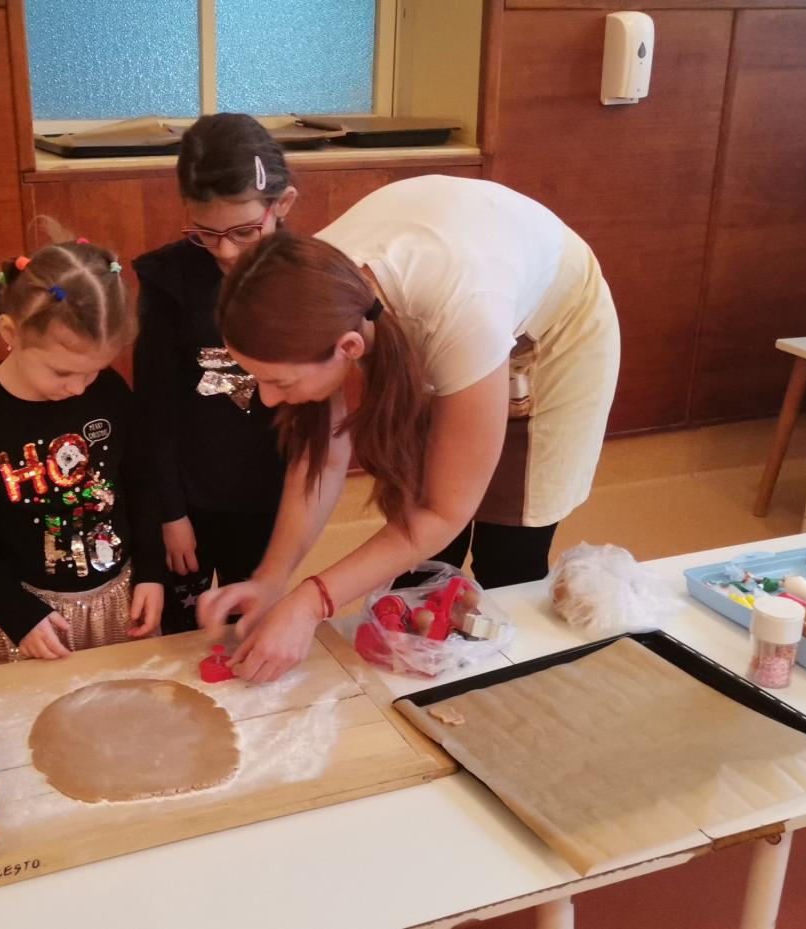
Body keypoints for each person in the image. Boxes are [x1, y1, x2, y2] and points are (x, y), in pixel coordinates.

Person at [199, 175, 621, 682]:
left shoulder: (461, 313)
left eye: (278, 382)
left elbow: (445, 509)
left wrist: (311, 603)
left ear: (349, 348)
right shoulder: (312, 296)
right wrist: (272, 579)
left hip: (553, 331)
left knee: (508, 550)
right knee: (421, 559)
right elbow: (322, 456)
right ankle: (425, 668)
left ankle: (505, 688)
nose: (266, 399)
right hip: (458, 296)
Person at [0, 231, 165, 663]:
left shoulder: (109, 390)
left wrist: (152, 571)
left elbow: (141, 481)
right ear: (11, 332)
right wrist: (17, 614)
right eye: (61, 372)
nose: (79, 388)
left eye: (93, 371)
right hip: (36, 616)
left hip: (120, 595)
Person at [132, 114, 293, 633]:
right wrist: (171, 514)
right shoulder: (168, 281)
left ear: (282, 205)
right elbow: (154, 409)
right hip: (189, 502)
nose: (225, 250)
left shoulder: (303, 278)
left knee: (253, 626)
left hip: (269, 497)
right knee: (183, 634)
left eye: (244, 232)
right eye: (206, 233)